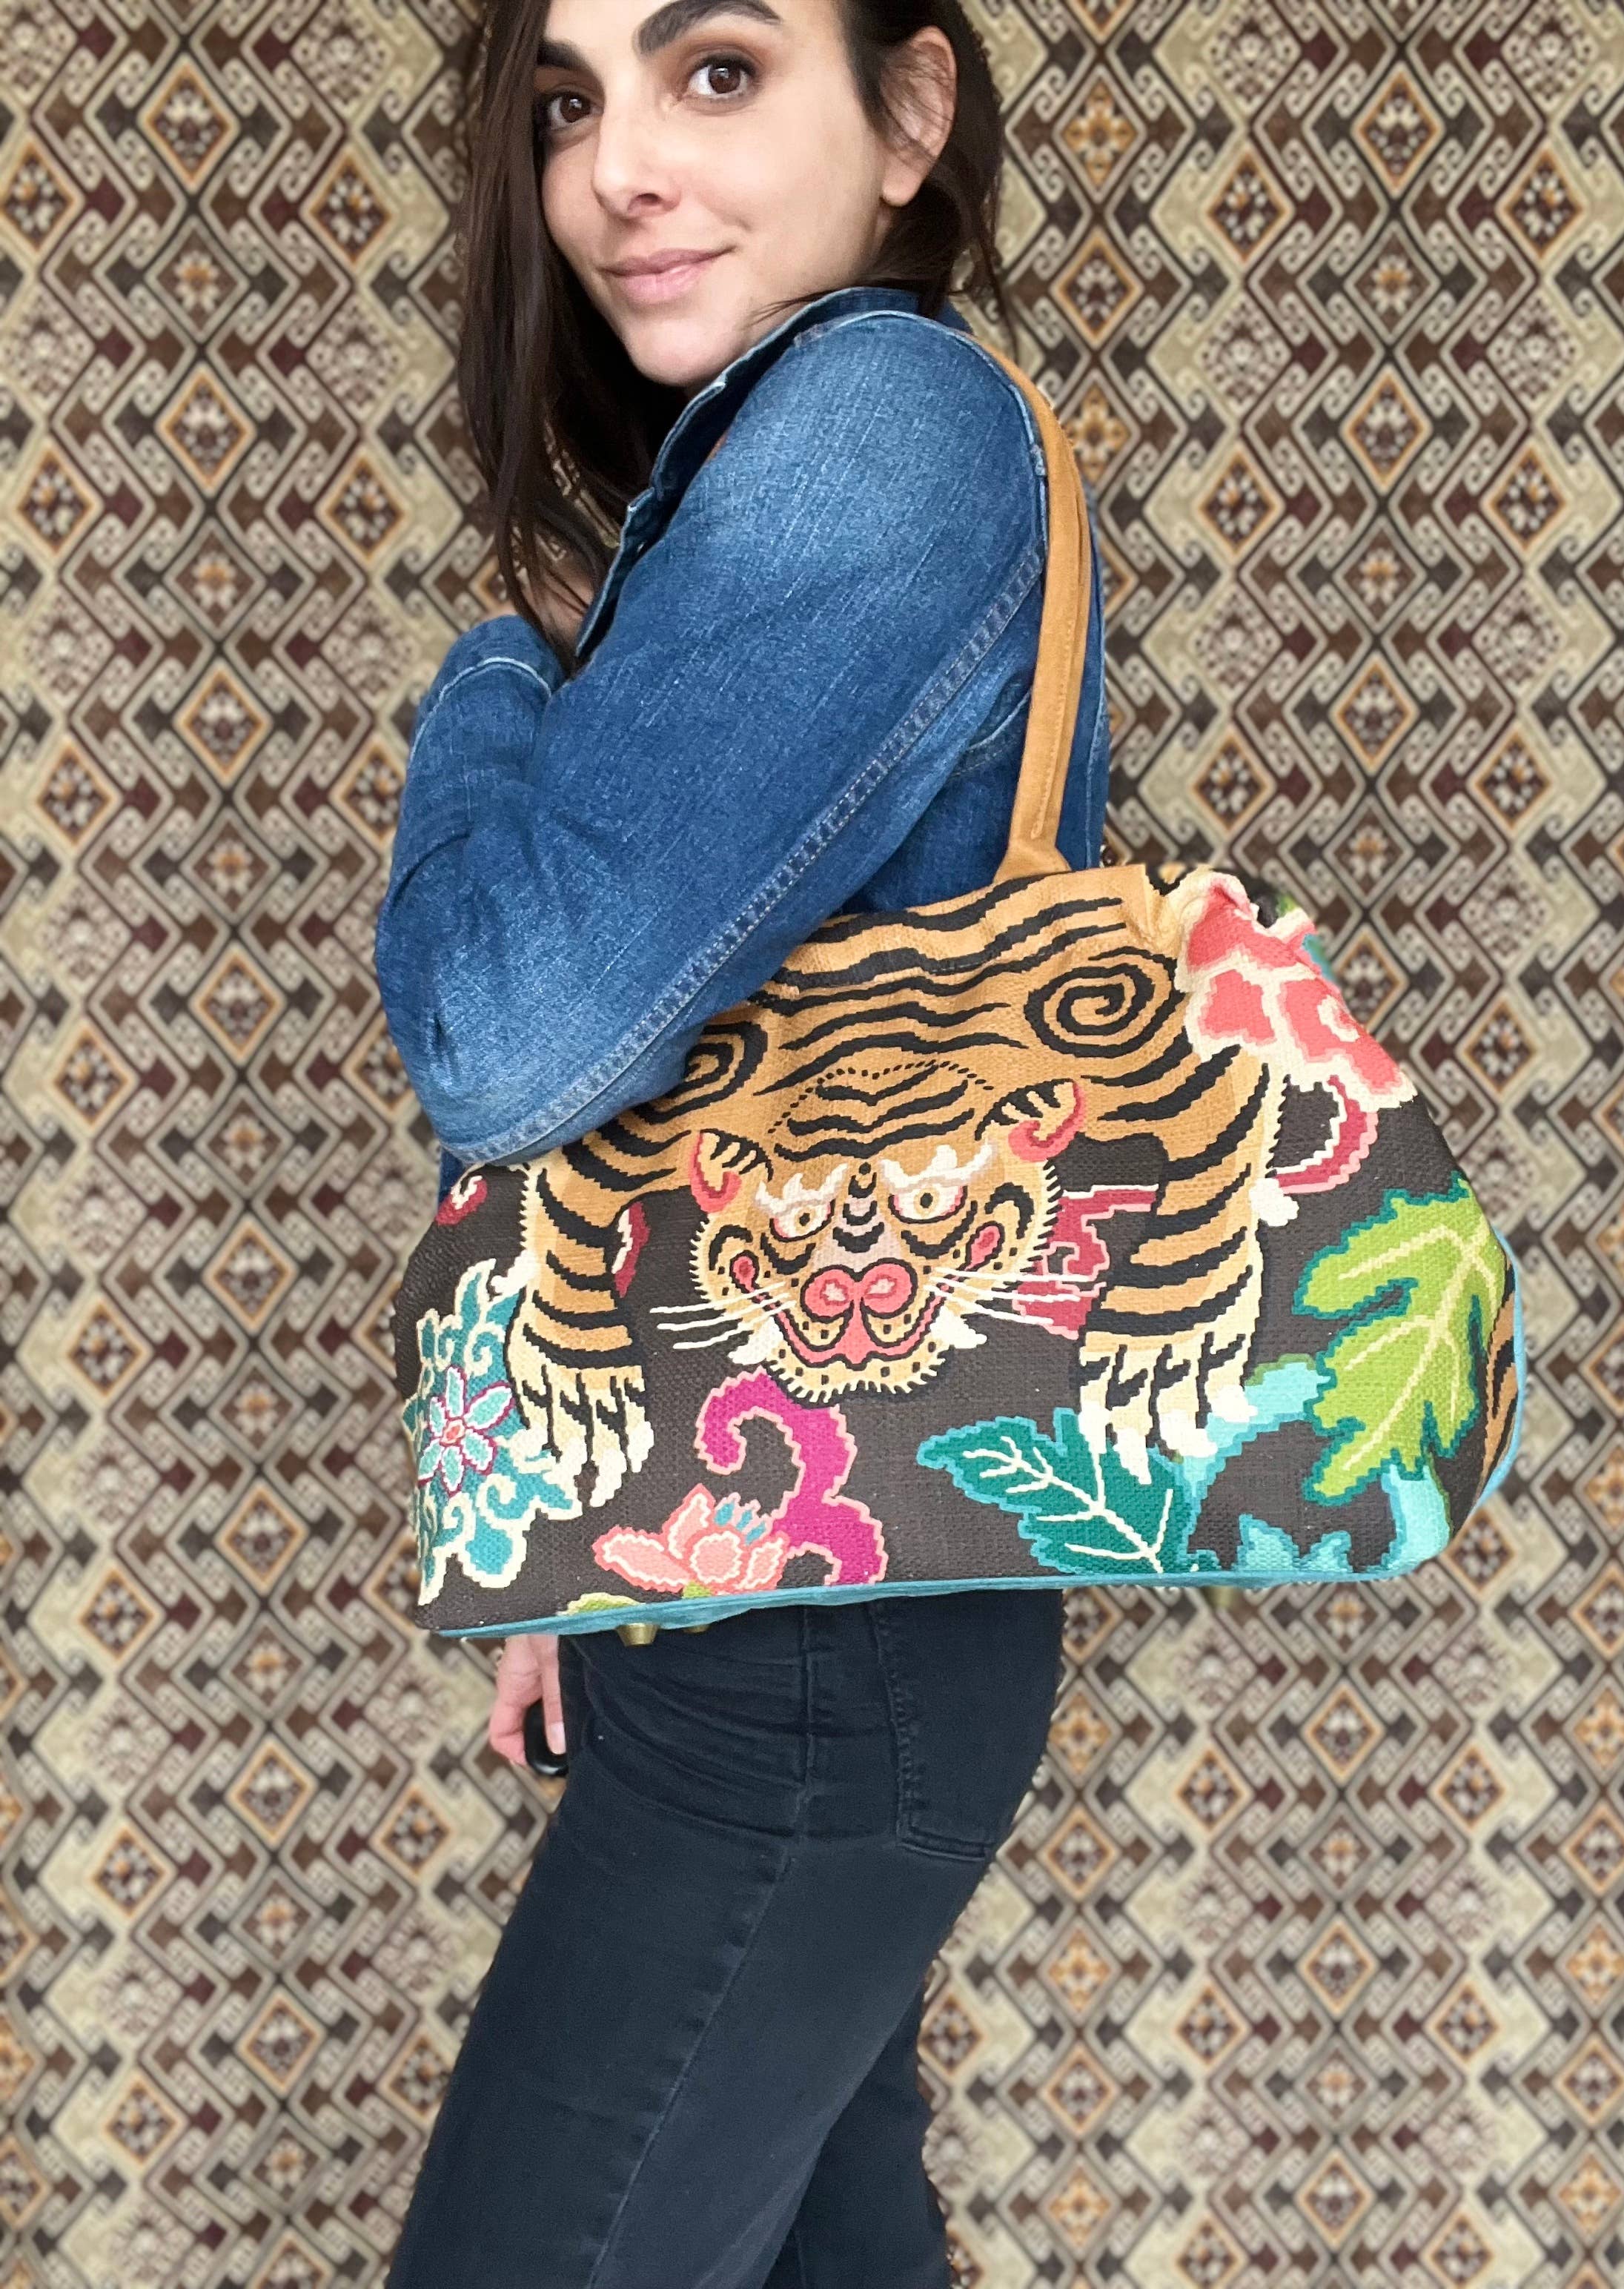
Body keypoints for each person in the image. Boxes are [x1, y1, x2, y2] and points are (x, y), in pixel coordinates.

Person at [372, 0, 1110, 2268]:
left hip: (808, 1640)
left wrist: (497, 680)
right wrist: (561, 1524)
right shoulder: (781, 450)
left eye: (713, 71)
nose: (615, 167)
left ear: (907, 114)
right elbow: (645, 1082)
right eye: (566, 100)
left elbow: (511, 1031)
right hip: (770, 1572)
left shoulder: (876, 421)